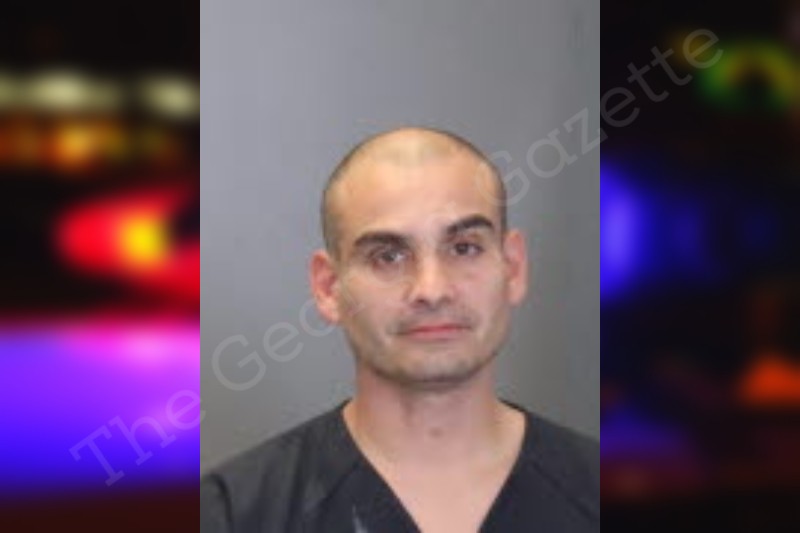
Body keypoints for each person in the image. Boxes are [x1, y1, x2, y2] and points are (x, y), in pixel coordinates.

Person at [201, 127, 599, 533]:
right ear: (328, 288)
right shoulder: (232, 515)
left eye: (464, 248)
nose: (432, 290)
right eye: (388, 256)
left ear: (513, 268)